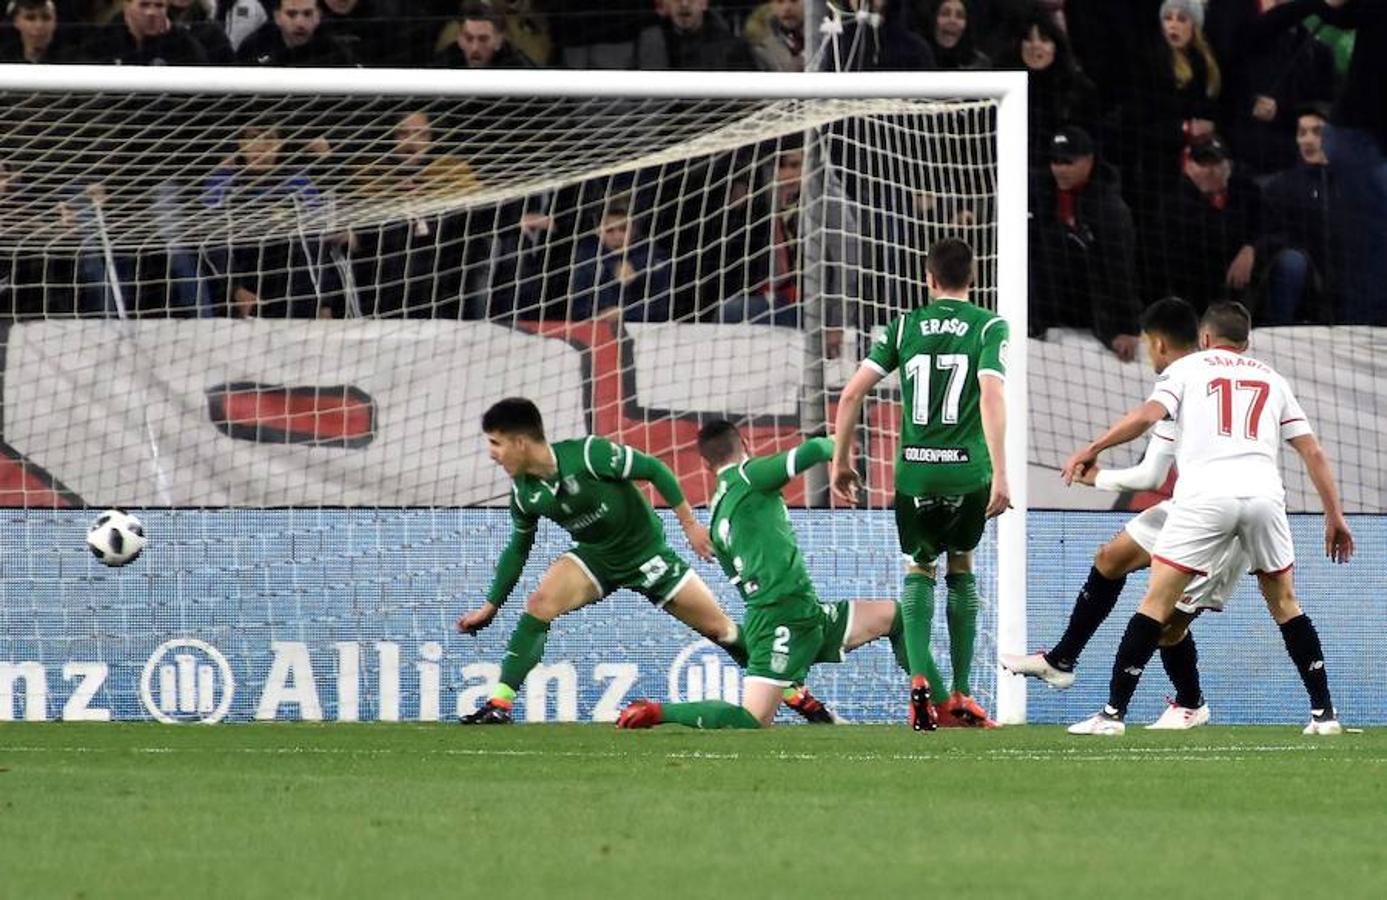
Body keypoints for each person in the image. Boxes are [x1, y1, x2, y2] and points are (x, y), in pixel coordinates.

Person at [1062, 301, 1354, 736]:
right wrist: (1335, 515)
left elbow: (1146, 417)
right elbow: (1312, 450)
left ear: (1203, 339)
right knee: (1285, 605)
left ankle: (1111, 715)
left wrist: (1093, 449)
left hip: (1206, 496)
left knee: (1157, 602)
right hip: (1263, 496)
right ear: (1247, 342)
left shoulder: (1188, 369)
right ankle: (1324, 715)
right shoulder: (1272, 378)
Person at [1003, 297, 1244, 730]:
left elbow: (1148, 462)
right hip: (1190, 504)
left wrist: (1093, 465)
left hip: (1227, 515)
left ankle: (1186, 703)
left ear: (1157, 342)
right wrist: (1098, 477)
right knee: (1110, 558)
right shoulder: (1195, 380)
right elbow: (1153, 473)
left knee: (1166, 625)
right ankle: (1061, 660)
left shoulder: (1185, 377)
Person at [454, 399, 746, 725]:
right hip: (596, 557)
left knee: (721, 630)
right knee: (539, 603)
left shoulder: (590, 455)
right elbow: (518, 549)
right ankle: (500, 704)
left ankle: (790, 688)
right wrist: (490, 607)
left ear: (520, 442)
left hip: (647, 555)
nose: (492, 453)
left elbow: (654, 469)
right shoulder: (524, 493)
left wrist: (690, 526)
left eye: (496, 443)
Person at [617, 421, 911, 729]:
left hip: (803, 613)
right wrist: (838, 450)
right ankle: (658, 712)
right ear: (745, 443)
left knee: (898, 616)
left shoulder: (718, 513)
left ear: (705, 465)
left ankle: (932, 703)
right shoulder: (750, 476)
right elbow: (815, 449)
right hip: (780, 621)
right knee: (753, 720)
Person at [831, 238, 1010, 730]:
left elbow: (850, 396)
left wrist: (840, 463)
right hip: (965, 469)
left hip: (914, 471)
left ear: (927, 278)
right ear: (972, 278)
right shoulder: (989, 327)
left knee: (917, 570)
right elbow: (992, 394)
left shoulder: (904, 326)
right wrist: (1001, 471)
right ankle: (962, 693)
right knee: (962, 564)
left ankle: (918, 683)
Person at [1029, 126, 1143, 361]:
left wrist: (1127, 327)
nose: (1060, 169)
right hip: (1042, 310)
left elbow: (1120, 270)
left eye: (1068, 162)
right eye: (1056, 161)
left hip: (1090, 314)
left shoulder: (1109, 209)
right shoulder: (1036, 190)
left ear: (1089, 161)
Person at [352, 110, 480, 318]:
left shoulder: (453, 174)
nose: (412, 143)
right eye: (403, 134)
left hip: (444, 290)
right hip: (382, 293)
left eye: (421, 135)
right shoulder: (370, 176)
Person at [1149, 135, 1263, 312]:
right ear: (1189, 167)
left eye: (1216, 163)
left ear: (1229, 166)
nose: (1210, 171)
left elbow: (1271, 228)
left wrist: (1250, 248)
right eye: (1203, 164)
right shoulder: (1173, 204)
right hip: (1192, 292)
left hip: (1244, 287)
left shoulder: (1247, 192)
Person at [995, 11, 1100, 167]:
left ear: (1056, 46)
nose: (1035, 45)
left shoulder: (1079, 89)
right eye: (1028, 39)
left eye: (1044, 39)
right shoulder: (1000, 87)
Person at [568, 203, 674, 323]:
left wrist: (625, 313)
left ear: (633, 229)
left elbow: (661, 307)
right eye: (610, 231)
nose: (617, 236)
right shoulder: (587, 258)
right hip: (597, 328)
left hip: (644, 329)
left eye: (623, 229)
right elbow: (576, 307)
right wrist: (599, 314)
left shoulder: (654, 257)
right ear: (599, 232)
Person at [635, 0, 756, 70]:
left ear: (704, 3)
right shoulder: (650, 43)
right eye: (676, 0)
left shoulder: (732, 47)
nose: (684, 4)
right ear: (665, 5)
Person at [80, 0, 209, 64]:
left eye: (159, 6)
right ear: (126, 6)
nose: (151, 12)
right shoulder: (102, 42)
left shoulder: (184, 45)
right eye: (144, 5)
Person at [236, 0, 358, 66]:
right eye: (291, 14)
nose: (300, 23)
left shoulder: (335, 53)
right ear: (277, 17)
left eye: (307, 14)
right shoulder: (254, 47)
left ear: (318, 16)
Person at [432, 0, 532, 68]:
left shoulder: (519, 70)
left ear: (499, 41)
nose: (475, 48)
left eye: (483, 39)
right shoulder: (443, 66)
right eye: (469, 38)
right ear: (460, 40)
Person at [922, 0, 990, 69]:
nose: (952, 21)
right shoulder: (916, 57)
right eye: (945, 14)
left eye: (960, 16)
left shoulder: (978, 63)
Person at [0, 0, 70, 62]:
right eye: (30, 18)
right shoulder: (4, 58)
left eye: (46, 18)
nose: (39, 25)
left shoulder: (72, 59)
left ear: (55, 22)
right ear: (16, 22)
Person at [748, 0, 804, 72]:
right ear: (771, 5)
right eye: (780, 1)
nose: (786, 8)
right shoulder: (756, 47)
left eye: (794, 1)